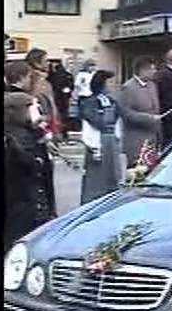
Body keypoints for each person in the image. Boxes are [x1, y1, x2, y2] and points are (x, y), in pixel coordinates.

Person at [3, 92, 56, 252]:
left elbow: (45, 175)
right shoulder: (12, 139)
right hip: (19, 209)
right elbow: (30, 165)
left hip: (37, 208)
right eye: (34, 108)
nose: (40, 112)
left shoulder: (34, 136)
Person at [80, 70, 125, 203]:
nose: (112, 85)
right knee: (96, 177)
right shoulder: (89, 102)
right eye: (110, 82)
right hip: (98, 141)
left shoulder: (112, 101)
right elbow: (90, 122)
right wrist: (93, 145)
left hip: (111, 140)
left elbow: (118, 118)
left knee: (113, 175)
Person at [118, 57, 161, 170]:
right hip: (136, 140)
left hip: (152, 139)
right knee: (136, 172)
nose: (154, 72)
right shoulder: (128, 88)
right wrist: (148, 118)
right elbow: (126, 113)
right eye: (152, 69)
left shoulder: (152, 86)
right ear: (142, 70)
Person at [26, 49, 59, 139]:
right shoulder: (36, 81)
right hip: (41, 126)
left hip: (44, 124)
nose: (48, 63)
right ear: (36, 63)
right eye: (45, 61)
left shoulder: (43, 81)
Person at [47, 62, 74, 141]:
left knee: (57, 114)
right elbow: (71, 86)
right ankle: (64, 132)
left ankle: (59, 131)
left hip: (56, 97)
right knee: (64, 115)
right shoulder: (68, 75)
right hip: (64, 98)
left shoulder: (52, 76)